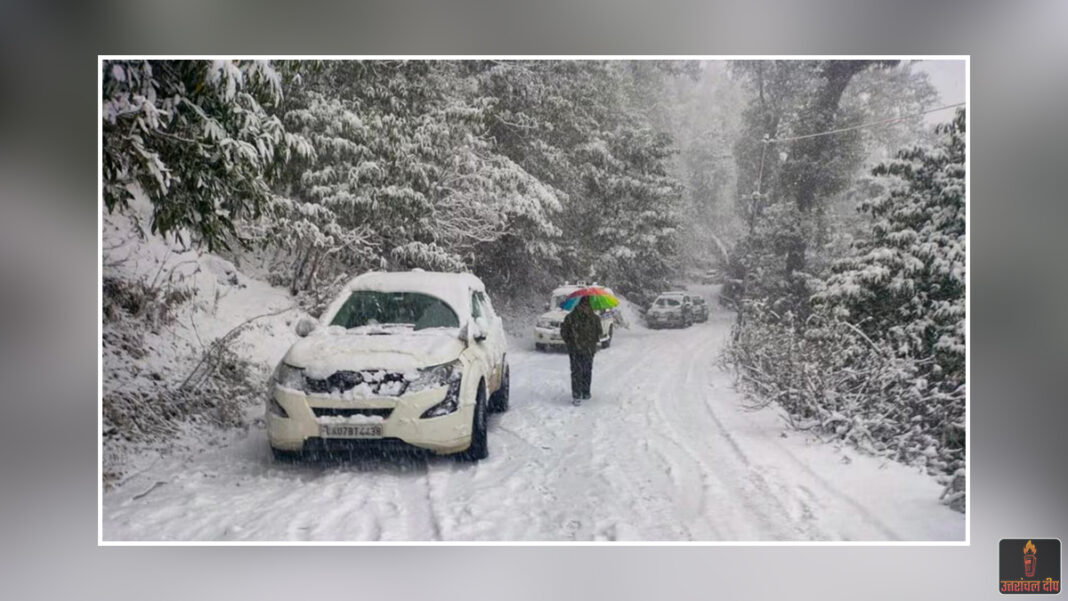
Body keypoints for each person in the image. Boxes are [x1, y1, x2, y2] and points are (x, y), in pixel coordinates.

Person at [559, 295, 601, 405]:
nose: (586, 307)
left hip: (576, 350)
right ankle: (583, 393)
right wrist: (592, 342)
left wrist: (570, 342)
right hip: (585, 349)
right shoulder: (594, 318)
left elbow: (563, 332)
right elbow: (599, 333)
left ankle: (579, 394)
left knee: (577, 372)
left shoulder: (570, 317)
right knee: (585, 371)